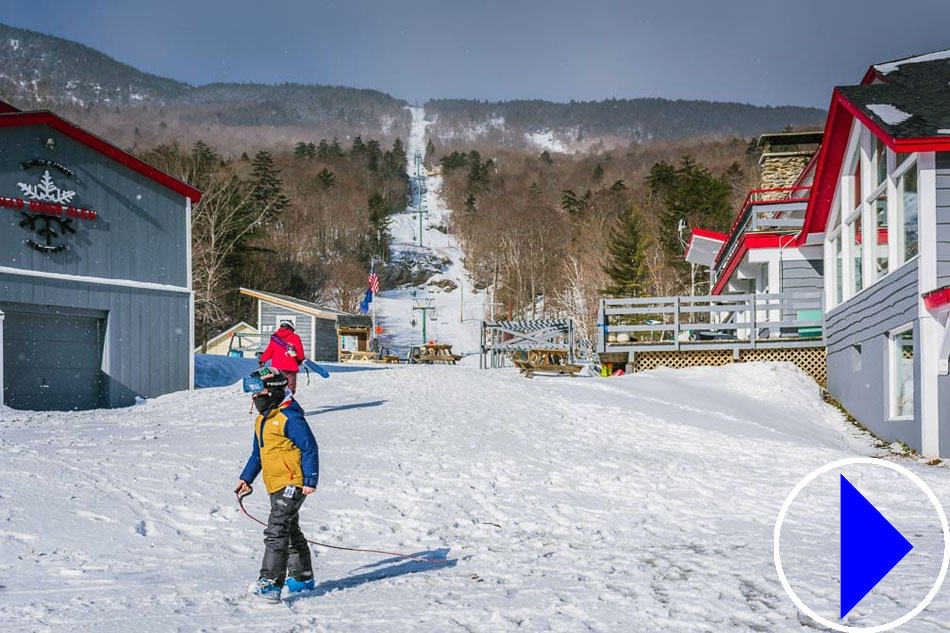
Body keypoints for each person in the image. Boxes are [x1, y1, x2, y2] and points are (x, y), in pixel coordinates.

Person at [235, 368, 319, 602]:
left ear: (273, 392)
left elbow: (309, 447)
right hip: (274, 483)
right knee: (289, 530)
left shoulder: (290, 417)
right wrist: (246, 478)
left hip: (293, 482)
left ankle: (271, 583)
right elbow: (257, 454)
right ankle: (302, 578)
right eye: (253, 395)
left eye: (259, 393)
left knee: (276, 530)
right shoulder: (262, 420)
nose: (255, 399)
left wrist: (310, 480)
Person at [259, 320, 305, 394]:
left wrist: (262, 360)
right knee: (290, 388)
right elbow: (300, 351)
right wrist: (300, 359)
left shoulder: (274, 338)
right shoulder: (295, 337)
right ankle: (287, 402)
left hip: (277, 369)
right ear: (291, 328)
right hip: (290, 368)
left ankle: (277, 403)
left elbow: (269, 351)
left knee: (277, 388)